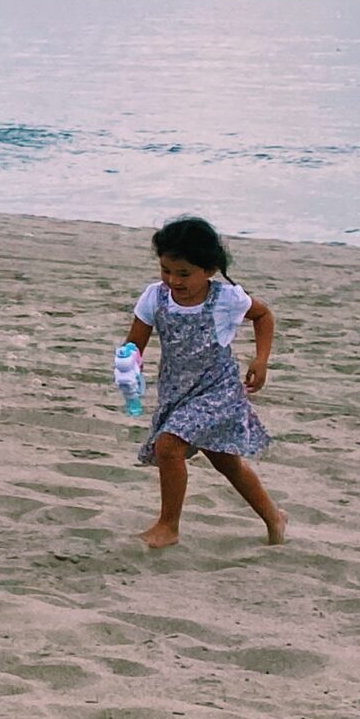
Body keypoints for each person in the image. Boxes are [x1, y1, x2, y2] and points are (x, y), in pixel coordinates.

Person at [127, 213, 284, 551]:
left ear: (209, 270)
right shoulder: (155, 297)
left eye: (184, 273)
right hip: (178, 391)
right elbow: (134, 345)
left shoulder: (226, 299)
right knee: (227, 463)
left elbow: (263, 315)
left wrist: (261, 359)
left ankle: (168, 526)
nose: (174, 280)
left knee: (167, 446)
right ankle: (273, 516)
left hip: (218, 390)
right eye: (166, 270)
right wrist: (128, 368)